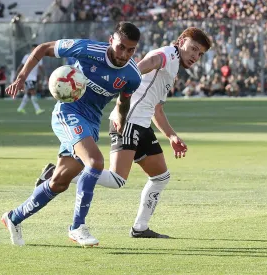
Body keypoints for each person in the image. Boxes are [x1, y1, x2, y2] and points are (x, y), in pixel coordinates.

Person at [35, 27, 212, 238]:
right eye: (193, 49)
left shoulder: (172, 66)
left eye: (200, 54)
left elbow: (157, 108)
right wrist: (121, 105)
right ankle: (57, 174)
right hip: (129, 122)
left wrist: (171, 135)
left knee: (161, 177)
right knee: (117, 179)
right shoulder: (166, 55)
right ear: (181, 41)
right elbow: (135, 70)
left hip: (143, 125)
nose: (195, 56)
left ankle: (140, 228)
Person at [1, 22, 142, 246]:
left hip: (91, 122)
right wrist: (22, 77)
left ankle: (13, 217)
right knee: (95, 162)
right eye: (120, 47)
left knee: (59, 182)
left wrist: (121, 120)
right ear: (111, 41)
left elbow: (124, 99)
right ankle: (78, 227)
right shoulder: (86, 49)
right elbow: (42, 49)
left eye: (131, 50)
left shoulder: (132, 75)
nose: (124, 54)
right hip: (68, 112)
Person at [16, 45, 45, 115]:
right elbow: (21, 65)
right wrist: (17, 74)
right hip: (28, 77)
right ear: (32, 49)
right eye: (34, 49)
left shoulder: (39, 57)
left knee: (28, 93)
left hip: (34, 78)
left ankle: (20, 108)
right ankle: (37, 109)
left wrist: (44, 75)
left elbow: (40, 68)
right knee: (33, 92)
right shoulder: (27, 56)